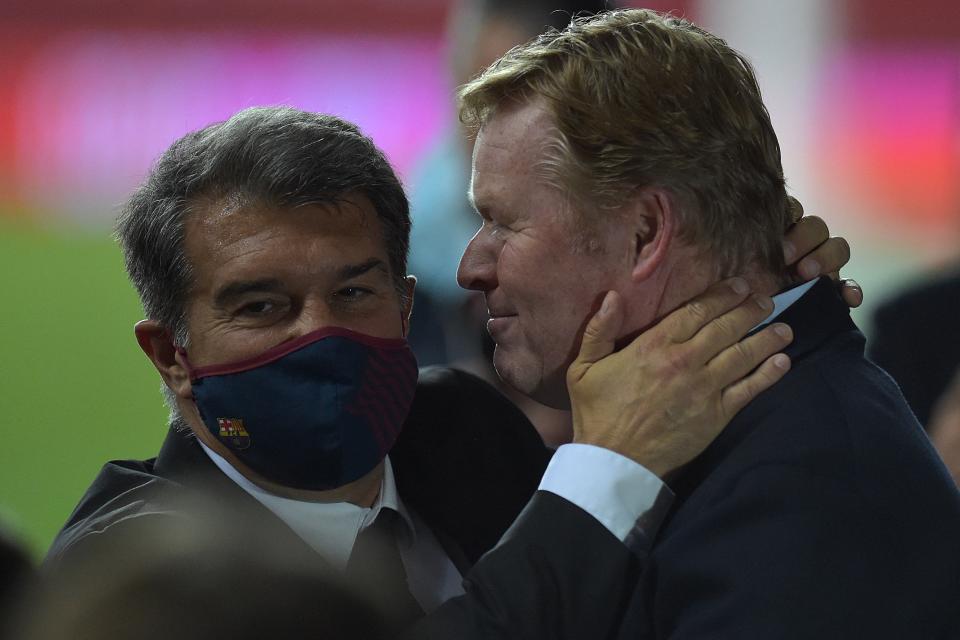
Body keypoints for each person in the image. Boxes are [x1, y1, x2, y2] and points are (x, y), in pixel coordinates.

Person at [46, 105, 845, 639]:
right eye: (262, 306)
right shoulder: (131, 577)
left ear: (404, 307)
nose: (320, 334)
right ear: (172, 355)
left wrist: (739, 293)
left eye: (354, 291)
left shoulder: (466, 429)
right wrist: (606, 470)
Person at [451, 8, 960, 638]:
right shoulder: (741, 442)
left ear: (645, 233)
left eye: (503, 222)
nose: (470, 266)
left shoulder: (803, 495)